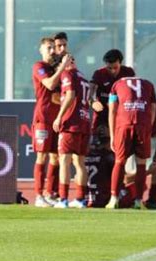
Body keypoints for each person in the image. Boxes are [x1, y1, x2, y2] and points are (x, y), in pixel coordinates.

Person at [31, 37, 71, 207]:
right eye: (48, 48)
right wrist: (62, 66)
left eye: (53, 48)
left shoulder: (56, 68)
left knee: (56, 157)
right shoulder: (39, 67)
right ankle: (39, 195)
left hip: (56, 119)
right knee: (42, 155)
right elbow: (49, 84)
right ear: (41, 49)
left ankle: (50, 193)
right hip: (43, 118)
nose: (52, 51)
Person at [106, 77, 156, 209]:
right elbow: (153, 107)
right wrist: (148, 128)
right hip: (143, 125)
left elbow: (112, 109)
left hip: (124, 125)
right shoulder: (148, 83)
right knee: (141, 163)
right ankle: (138, 201)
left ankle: (113, 199)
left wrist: (112, 135)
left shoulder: (117, 84)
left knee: (119, 161)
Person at [52, 59, 91, 208]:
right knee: (79, 162)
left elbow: (70, 95)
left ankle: (63, 199)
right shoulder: (83, 77)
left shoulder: (67, 74)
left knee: (64, 161)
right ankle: (80, 199)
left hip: (71, 123)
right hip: (84, 122)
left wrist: (59, 116)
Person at [85, 125, 136, 208]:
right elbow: (125, 179)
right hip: (103, 198)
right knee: (135, 185)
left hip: (88, 197)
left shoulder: (86, 155)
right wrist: (148, 172)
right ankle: (136, 201)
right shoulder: (109, 157)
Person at [90, 49, 135, 130]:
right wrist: (93, 102)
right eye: (109, 68)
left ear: (120, 64)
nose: (112, 71)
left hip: (121, 116)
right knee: (101, 139)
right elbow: (89, 92)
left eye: (115, 68)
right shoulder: (99, 73)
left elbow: (134, 92)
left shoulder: (128, 72)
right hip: (102, 117)